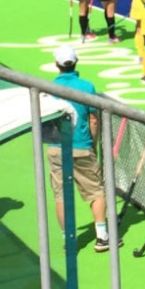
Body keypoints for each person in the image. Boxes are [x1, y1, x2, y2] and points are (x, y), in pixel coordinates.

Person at [48, 46, 119, 252]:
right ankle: (102, 237)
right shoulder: (87, 87)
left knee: (61, 195)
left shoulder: (48, 87)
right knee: (96, 191)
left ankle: (69, 240)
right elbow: (93, 120)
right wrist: (92, 144)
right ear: (76, 62)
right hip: (81, 147)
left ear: (57, 64)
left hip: (56, 147)